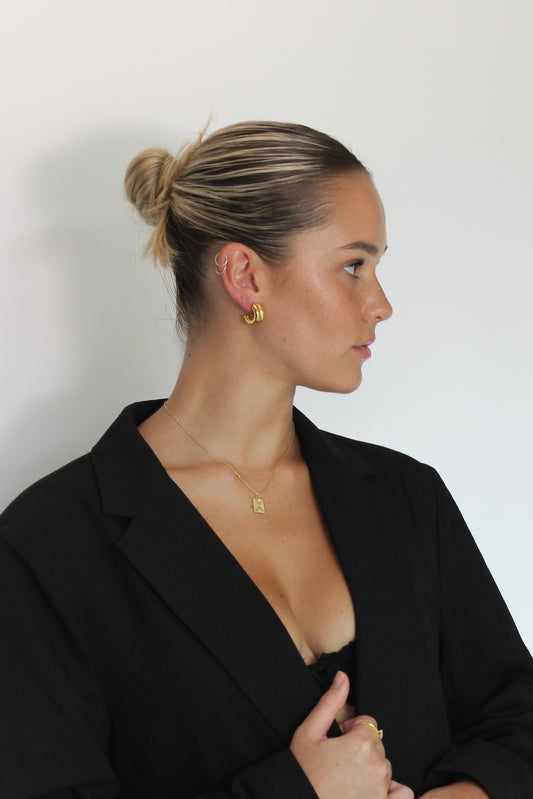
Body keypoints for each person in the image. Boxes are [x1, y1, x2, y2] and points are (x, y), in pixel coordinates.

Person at [1, 121, 532, 799]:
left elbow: (515, 710)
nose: (381, 304)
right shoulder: (51, 546)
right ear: (246, 276)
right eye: (353, 266)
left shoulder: (406, 496)